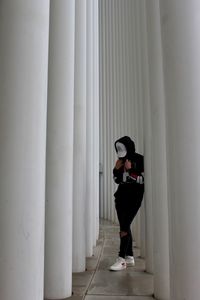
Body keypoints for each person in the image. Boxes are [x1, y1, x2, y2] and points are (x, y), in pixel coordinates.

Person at [109, 136, 144, 271]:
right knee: (125, 225)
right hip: (120, 198)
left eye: (122, 147)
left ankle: (121, 259)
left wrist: (131, 168)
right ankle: (129, 257)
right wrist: (116, 169)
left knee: (124, 227)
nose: (119, 151)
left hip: (134, 199)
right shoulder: (120, 161)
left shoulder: (139, 159)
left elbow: (142, 180)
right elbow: (117, 180)